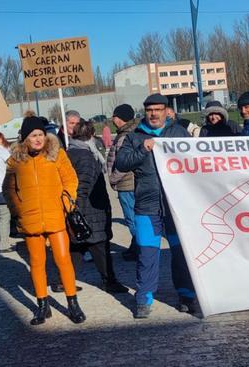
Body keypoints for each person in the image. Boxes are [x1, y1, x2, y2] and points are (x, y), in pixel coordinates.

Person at [114, 93, 197, 319]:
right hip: (146, 208)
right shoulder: (134, 137)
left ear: (166, 111)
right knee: (147, 254)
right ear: (145, 112)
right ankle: (143, 299)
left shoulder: (178, 133)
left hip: (175, 208)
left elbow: (197, 160)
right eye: (149, 110)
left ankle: (187, 296)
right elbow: (121, 162)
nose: (153, 114)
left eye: (158, 110)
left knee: (181, 254)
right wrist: (144, 149)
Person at [3, 115, 86, 325]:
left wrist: (66, 205)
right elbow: (8, 188)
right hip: (30, 218)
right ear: (25, 138)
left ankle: (72, 303)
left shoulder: (56, 155)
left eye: (40, 134)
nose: (38, 139)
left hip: (55, 215)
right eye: (33, 135)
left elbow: (70, 180)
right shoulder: (15, 161)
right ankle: (42, 305)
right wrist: (17, 209)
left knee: (63, 259)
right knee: (37, 263)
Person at [67, 119, 128, 294]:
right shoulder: (86, 156)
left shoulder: (72, 151)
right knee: (100, 246)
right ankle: (109, 281)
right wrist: (77, 210)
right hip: (89, 210)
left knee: (78, 247)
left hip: (84, 210)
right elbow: (83, 186)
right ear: (92, 135)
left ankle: (63, 280)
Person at [107, 104, 139, 260]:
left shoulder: (125, 136)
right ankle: (136, 248)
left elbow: (124, 162)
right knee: (135, 218)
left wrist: (113, 178)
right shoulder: (133, 132)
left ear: (119, 118)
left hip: (126, 184)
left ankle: (141, 250)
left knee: (132, 219)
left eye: (114, 116)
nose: (112, 119)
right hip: (133, 183)